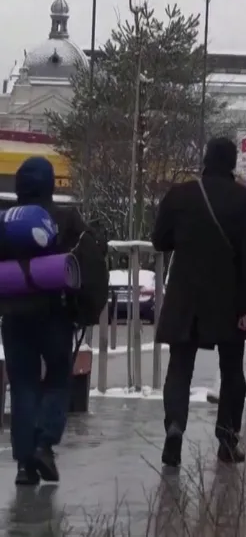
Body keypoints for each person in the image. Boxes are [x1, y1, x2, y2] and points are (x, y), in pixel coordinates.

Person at [152, 138, 246, 468]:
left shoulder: (180, 195)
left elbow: (160, 240)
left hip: (185, 294)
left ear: (204, 159)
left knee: (179, 366)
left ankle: (174, 426)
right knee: (231, 371)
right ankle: (227, 439)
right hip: (227, 298)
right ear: (232, 163)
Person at [0, 157, 97, 486]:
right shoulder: (66, 218)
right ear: (50, 185)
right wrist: (86, 310)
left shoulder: (5, 221)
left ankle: (24, 466)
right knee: (57, 379)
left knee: (23, 385)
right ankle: (44, 445)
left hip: (13, 316)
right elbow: (86, 264)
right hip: (55, 315)